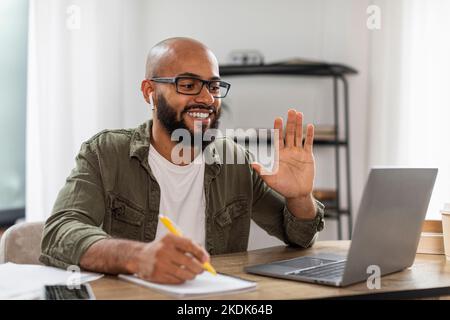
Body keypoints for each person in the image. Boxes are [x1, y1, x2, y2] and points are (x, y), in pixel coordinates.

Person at [40, 37, 324, 284]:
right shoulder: (105, 153)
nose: (206, 98)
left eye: (213, 87)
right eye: (188, 85)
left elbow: (299, 237)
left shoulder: (235, 161)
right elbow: (59, 232)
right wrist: (137, 257)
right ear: (149, 92)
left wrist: (300, 197)